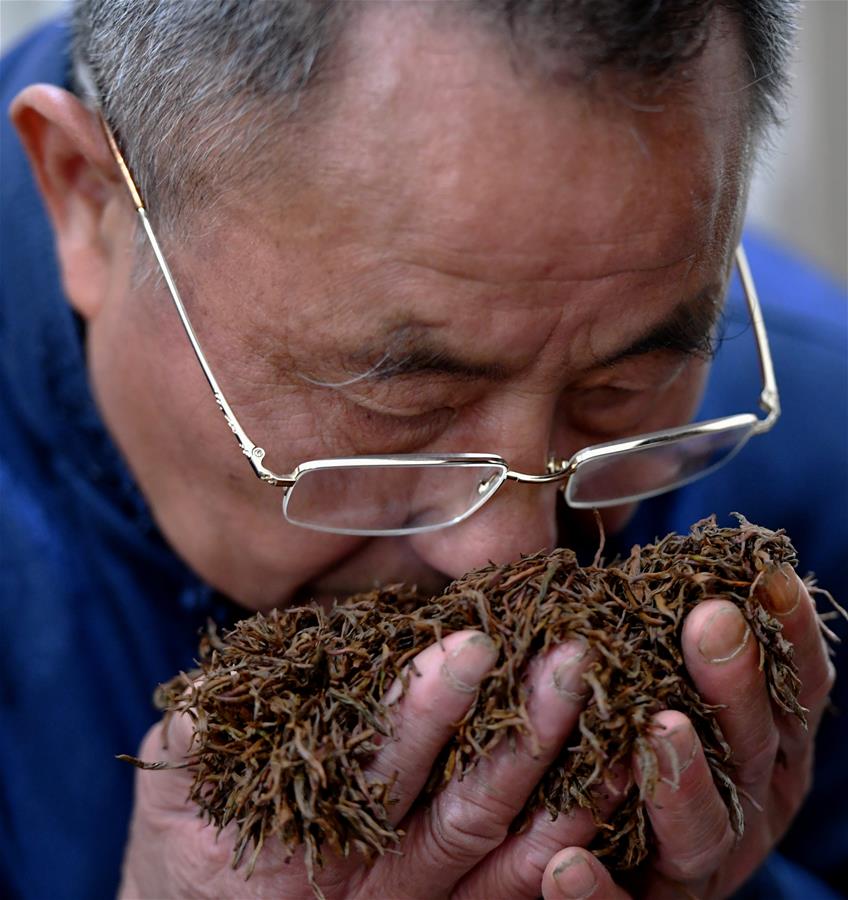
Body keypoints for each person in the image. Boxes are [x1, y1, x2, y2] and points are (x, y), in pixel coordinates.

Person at [1, 2, 845, 898]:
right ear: (89, 200)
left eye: (619, 392)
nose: (513, 555)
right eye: (403, 403)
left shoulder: (816, 464)